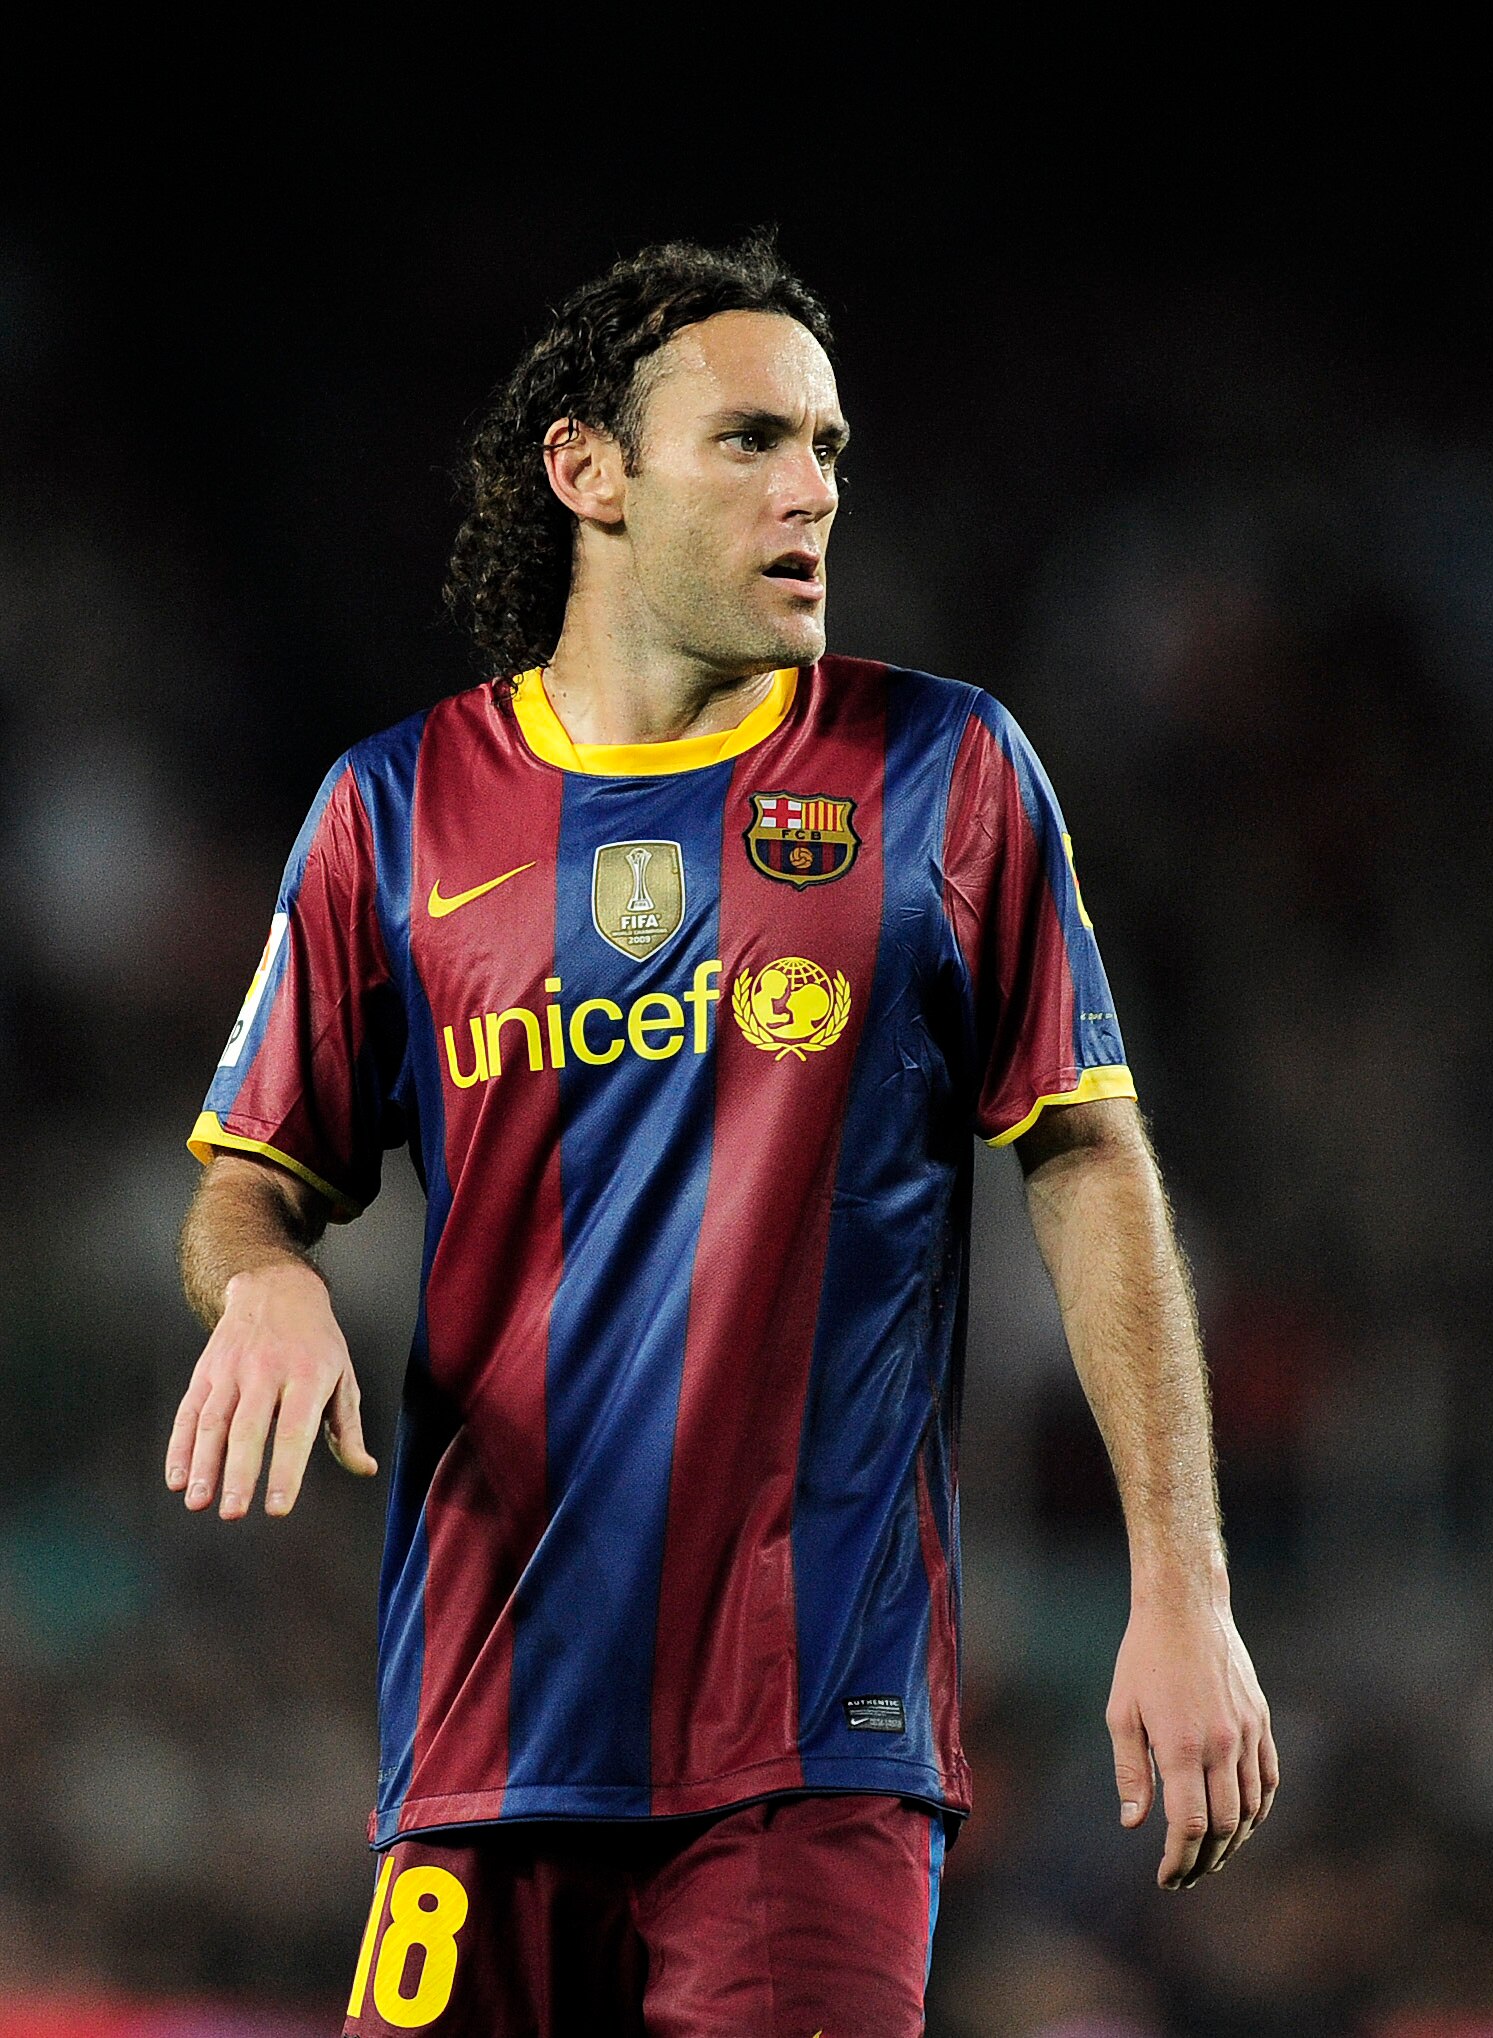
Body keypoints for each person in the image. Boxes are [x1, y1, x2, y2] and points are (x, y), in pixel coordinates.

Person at [167, 233, 1277, 2038]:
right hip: (480, 1733)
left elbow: (1084, 1159)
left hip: (809, 1746)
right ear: (586, 472)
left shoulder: (940, 774)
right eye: (753, 440)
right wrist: (267, 1283)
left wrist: (1184, 1584)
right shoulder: (393, 808)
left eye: (828, 450)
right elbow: (240, 1187)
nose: (809, 491)